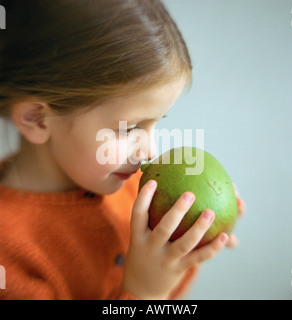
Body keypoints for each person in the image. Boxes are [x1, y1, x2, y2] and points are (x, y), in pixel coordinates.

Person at [0, 0, 245, 300]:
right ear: (37, 119)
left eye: (156, 123)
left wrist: (184, 250)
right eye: (130, 128)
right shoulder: (9, 257)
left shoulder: (134, 190)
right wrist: (144, 293)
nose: (150, 150)